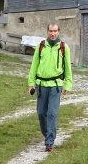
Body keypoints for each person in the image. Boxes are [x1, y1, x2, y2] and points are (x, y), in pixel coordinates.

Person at [28, 23, 73, 152]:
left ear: (59, 32)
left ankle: (49, 142)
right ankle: (47, 134)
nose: (53, 34)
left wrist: (68, 84)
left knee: (52, 113)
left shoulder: (64, 47)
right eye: (50, 31)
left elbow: (68, 68)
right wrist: (31, 83)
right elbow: (34, 66)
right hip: (41, 85)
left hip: (56, 85)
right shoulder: (41, 46)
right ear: (47, 32)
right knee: (42, 113)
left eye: (55, 31)